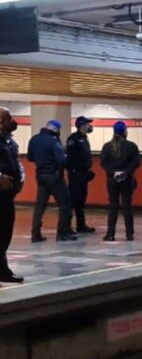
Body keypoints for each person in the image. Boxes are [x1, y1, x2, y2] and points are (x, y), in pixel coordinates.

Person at [27, 119, 75, 242]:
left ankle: (35, 233)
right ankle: (62, 233)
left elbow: (30, 157)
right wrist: (59, 169)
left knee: (40, 205)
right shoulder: (53, 141)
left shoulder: (34, 139)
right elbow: (61, 160)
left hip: (40, 175)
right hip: (54, 176)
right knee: (65, 204)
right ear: (55, 129)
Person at [100, 121, 140, 241]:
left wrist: (113, 172)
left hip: (112, 180)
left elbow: (103, 163)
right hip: (127, 179)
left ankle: (110, 233)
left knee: (113, 206)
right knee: (127, 206)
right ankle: (129, 233)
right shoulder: (131, 146)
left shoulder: (107, 147)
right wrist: (125, 172)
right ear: (125, 131)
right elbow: (136, 162)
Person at [0, 108, 23, 283]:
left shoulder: (8, 141)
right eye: (9, 118)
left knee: (5, 232)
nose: (12, 121)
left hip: (7, 195)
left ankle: (2, 270)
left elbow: (15, 162)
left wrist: (20, 178)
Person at [66, 116, 96, 234]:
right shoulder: (74, 139)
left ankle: (81, 225)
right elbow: (71, 157)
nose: (90, 126)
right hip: (76, 174)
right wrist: (76, 170)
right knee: (74, 200)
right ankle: (67, 226)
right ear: (82, 125)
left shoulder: (84, 138)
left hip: (83, 174)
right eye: (88, 124)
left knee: (81, 200)